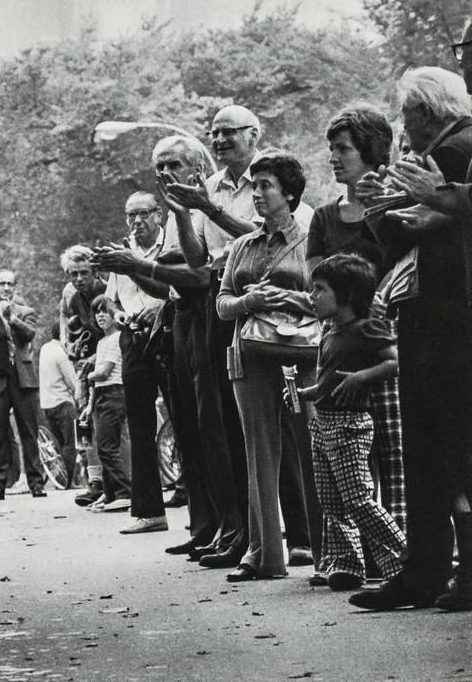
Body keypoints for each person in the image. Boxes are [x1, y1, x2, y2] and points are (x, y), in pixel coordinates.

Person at [349, 67, 472, 612]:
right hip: (427, 316)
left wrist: (415, 202)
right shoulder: (443, 152)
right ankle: (426, 571)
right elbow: (401, 237)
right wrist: (379, 205)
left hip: (449, 319)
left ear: (427, 110)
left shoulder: (458, 149)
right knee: (429, 451)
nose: (402, 125)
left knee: (447, 449)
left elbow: (419, 226)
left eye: (405, 113)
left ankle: (443, 573)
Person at [305, 107, 406, 585]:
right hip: (339, 338)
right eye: (332, 149)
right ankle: (347, 559)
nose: (334, 158)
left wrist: (381, 210)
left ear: (370, 151)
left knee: (390, 451)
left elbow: (398, 265)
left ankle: (399, 559)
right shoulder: (325, 216)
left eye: (343, 149)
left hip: (384, 337)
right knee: (336, 465)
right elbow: (322, 278)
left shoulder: (398, 205)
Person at [215, 152, 323, 582]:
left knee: (314, 450)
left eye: (265, 186)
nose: (256, 194)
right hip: (251, 357)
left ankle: (329, 551)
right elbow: (222, 304)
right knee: (258, 454)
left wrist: (289, 300)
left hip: (303, 357)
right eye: (254, 186)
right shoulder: (242, 245)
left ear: (290, 194)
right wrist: (248, 301)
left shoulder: (313, 239)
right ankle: (262, 555)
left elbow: (328, 297)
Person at [148, 135, 245, 560]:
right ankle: (204, 523)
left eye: (173, 164)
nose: (165, 173)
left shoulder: (204, 201)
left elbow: (198, 270)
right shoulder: (174, 209)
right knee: (187, 425)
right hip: (178, 320)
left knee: (214, 425)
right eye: (159, 167)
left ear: (197, 169)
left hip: (208, 310)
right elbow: (171, 264)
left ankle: (231, 525)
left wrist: (149, 265)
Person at [294, 254, 406, 591]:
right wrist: (309, 392)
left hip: (350, 426)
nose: (312, 296)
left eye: (320, 289)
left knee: (358, 498)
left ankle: (404, 557)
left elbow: (393, 363)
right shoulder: (330, 331)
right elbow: (330, 379)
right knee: (331, 501)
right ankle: (346, 563)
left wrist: (360, 378)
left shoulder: (367, 327)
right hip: (324, 424)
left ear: (347, 295)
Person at [95, 191, 171, 534]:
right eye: (130, 216)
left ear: (158, 215)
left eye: (143, 214)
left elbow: (174, 290)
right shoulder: (121, 252)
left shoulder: (172, 243)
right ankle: (149, 510)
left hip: (167, 332)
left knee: (183, 419)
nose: (137, 222)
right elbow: (110, 301)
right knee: (139, 425)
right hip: (134, 337)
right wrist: (120, 315)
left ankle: (198, 504)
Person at [0, 269, 47, 501]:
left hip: (22, 378)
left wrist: (11, 318)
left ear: (15, 287)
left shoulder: (25, 312)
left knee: (29, 432)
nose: (5, 288)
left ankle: (36, 483)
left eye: (10, 284)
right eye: (1, 284)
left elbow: (29, 335)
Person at [81, 296, 129, 513]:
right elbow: (96, 380)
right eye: (97, 312)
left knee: (108, 446)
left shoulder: (118, 338)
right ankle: (109, 494)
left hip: (114, 392)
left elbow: (104, 372)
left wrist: (86, 374)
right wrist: (90, 404)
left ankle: (124, 492)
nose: (100, 316)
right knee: (102, 446)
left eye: (105, 312)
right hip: (101, 393)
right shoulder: (101, 342)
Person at [37, 322, 79, 487]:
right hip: (63, 402)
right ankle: (68, 480)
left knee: (57, 445)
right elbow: (72, 381)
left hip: (47, 403)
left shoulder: (44, 349)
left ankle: (58, 480)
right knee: (70, 443)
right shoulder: (61, 354)